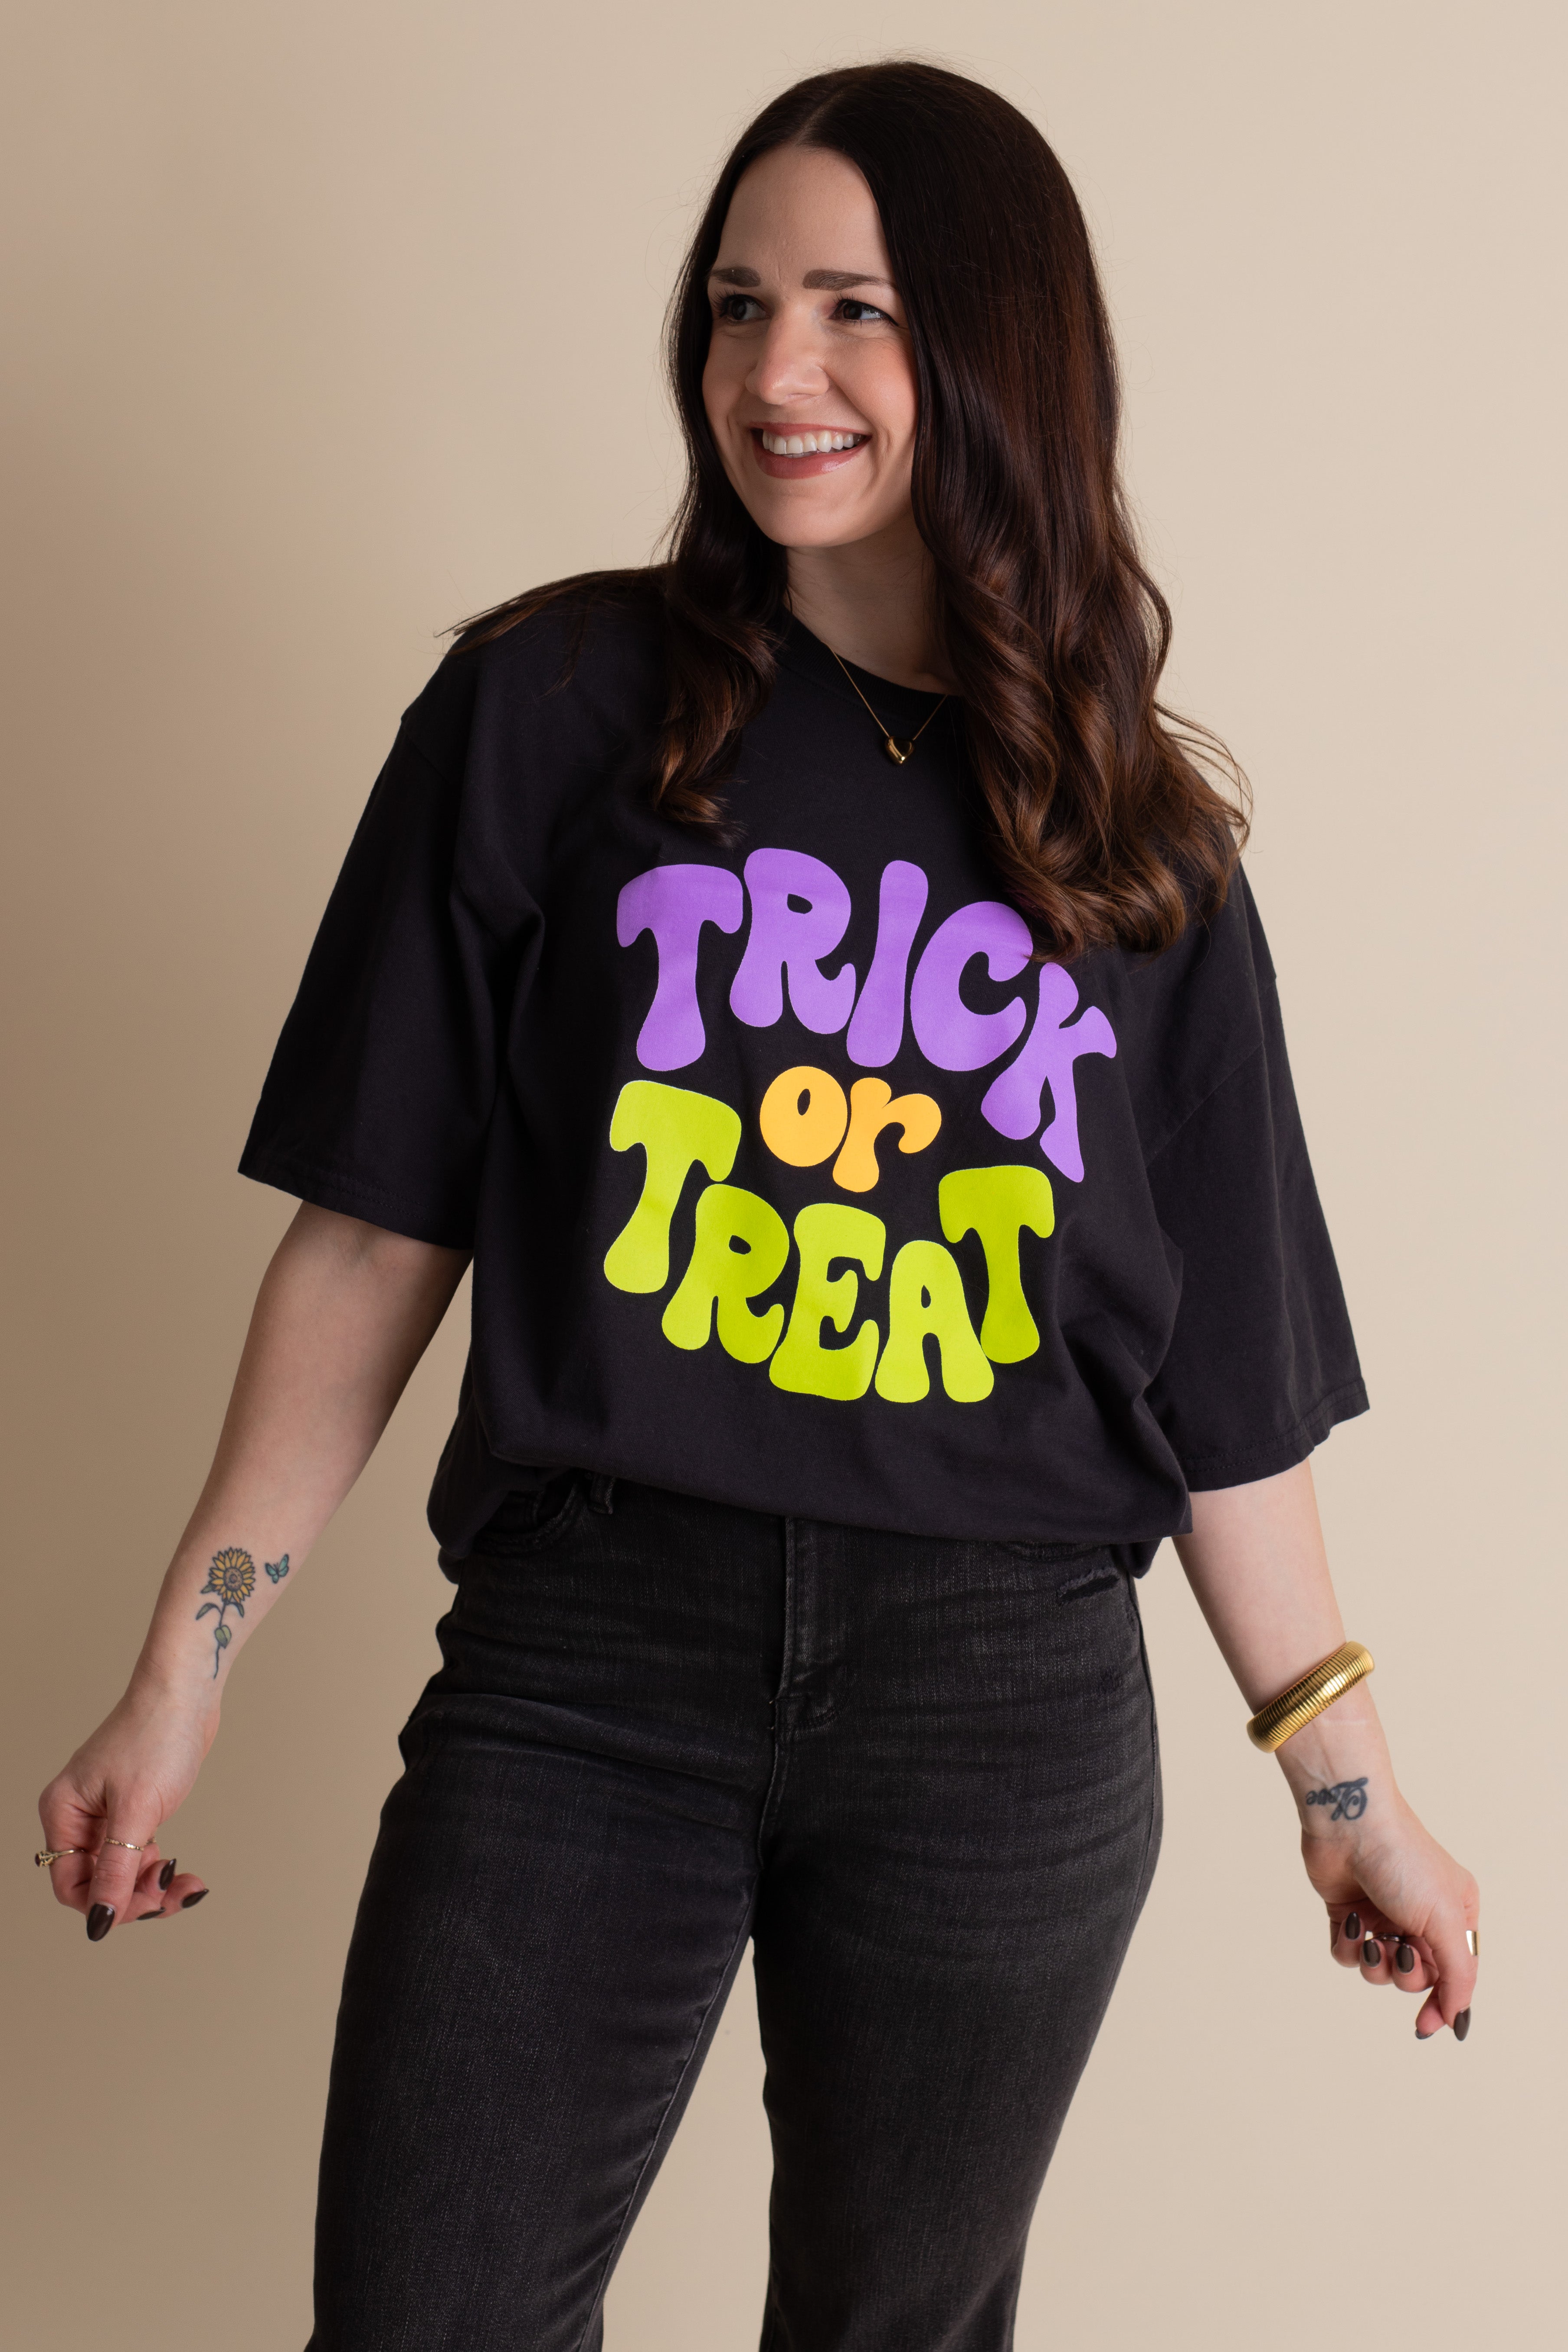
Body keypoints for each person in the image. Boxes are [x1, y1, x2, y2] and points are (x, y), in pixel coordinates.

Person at [37, 59, 1480, 2352]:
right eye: (736, 305)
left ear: (994, 354)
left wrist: (1350, 1793)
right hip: (591, 1659)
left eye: (851, 311)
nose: (771, 371)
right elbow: (375, 1232)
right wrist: (179, 1673)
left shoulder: (1142, 847)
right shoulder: (550, 709)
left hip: (1002, 1700)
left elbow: (1223, 1393)